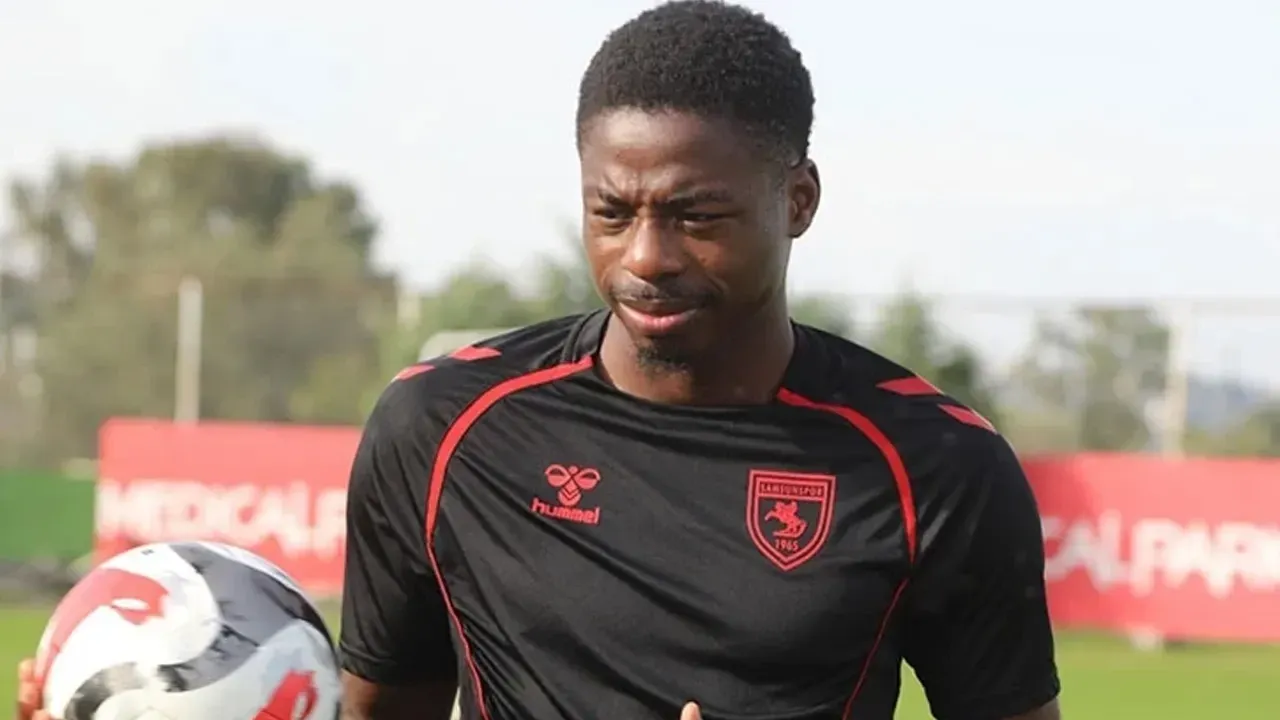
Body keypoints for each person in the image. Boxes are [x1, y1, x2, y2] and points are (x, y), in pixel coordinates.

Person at [14, 2, 1061, 719]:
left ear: (797, 201)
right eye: (612, 212)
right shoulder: (444, 430)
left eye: (695, 216)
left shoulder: (935, 467)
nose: (645, 257)